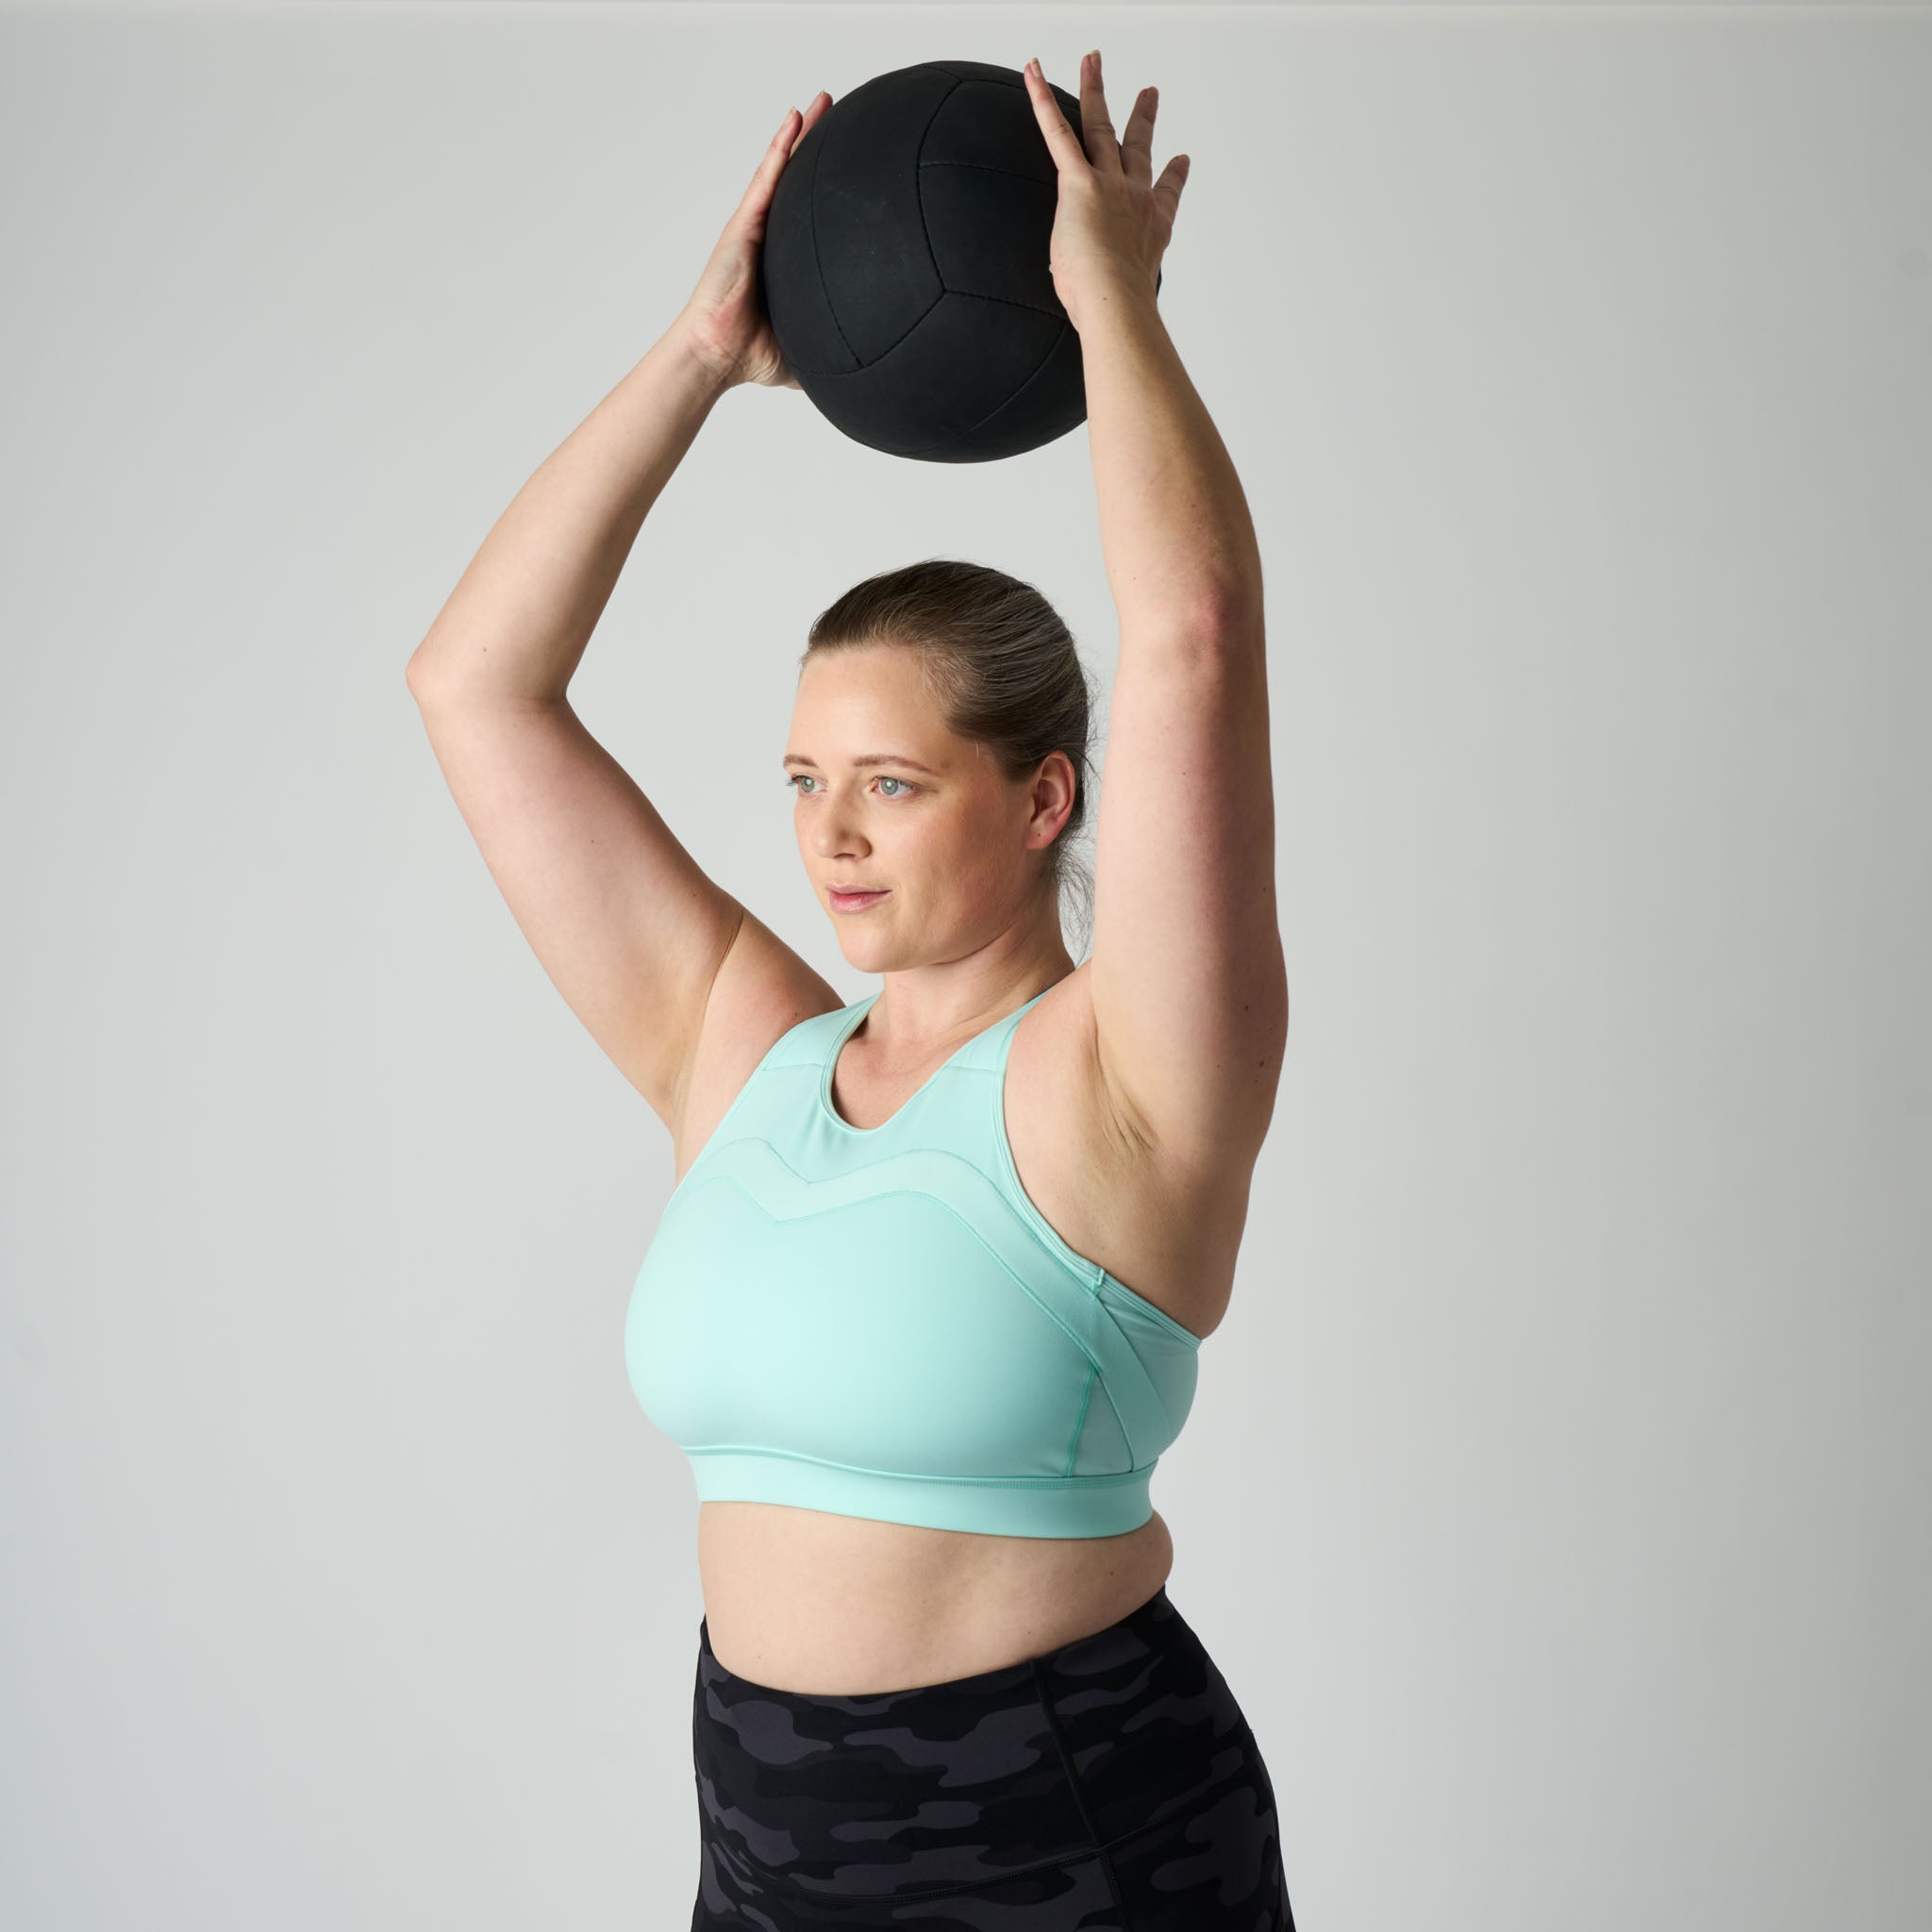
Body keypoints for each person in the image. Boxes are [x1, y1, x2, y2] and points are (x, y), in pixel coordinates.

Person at [407, 46, 1292, 1932]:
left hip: (1068, 1840)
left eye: (891, 782)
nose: (830, 833)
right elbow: (473, 688)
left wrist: (1112, 311)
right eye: (805, 778)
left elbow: (1193, 638)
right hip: (761, 1845)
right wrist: (696, 358)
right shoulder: (741, 1052)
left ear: (1044, 798)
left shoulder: (1126, 1076)